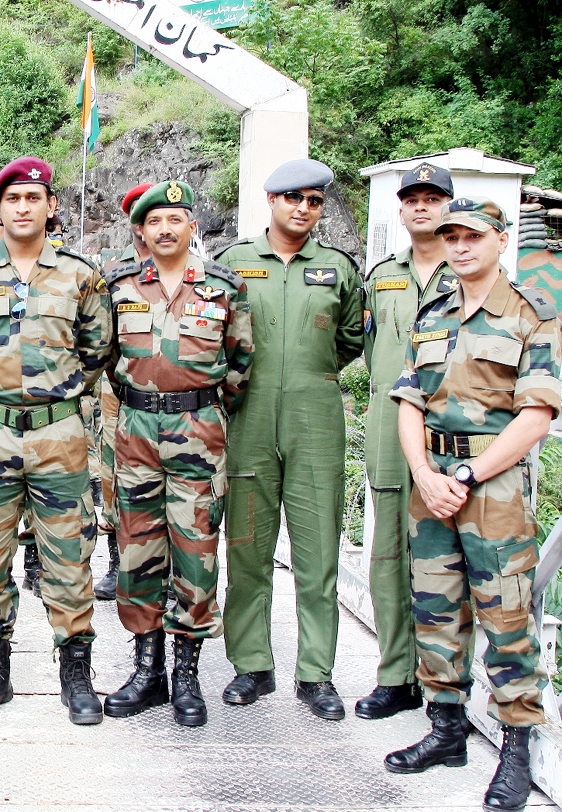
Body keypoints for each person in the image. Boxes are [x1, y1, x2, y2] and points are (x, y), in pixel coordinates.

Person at [385, 197, 560, 812]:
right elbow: (409, 401)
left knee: (505, 614)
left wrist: (465, 473)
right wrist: (424, 474)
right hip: (431, 478)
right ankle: (447, 728)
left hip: (495, 486)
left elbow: (536, 416)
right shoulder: (434, 311)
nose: (460, 247)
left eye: (473, 237)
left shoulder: (532, 316)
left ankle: (515, 745)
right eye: (451, 236)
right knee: (436, 607)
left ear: (501, 240)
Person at [0, 156, 112, 725]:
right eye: (12, 198)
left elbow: (96, 351)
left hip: (58, 434)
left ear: (50, 207)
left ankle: (76, 672)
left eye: (33, 198)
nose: (22, 207)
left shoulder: (81, 275)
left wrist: (54, 397)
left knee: (68, 555)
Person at [217, 158, 364, 721]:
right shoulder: (233, 263)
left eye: (314, 200)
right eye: (292, 198)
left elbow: (350, 337)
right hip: (247, 414)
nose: (303, 208)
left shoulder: (336, 267)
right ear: (271, 200)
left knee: (318, 548)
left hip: (315, 415)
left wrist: (309, 373)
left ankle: (316, 673)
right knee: (248, 545)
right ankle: (252, 665)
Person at [103, 180, 253, 727]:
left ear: (193, 226)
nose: (165, 229)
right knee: (138, 547)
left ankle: (187, 672)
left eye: (176, 218)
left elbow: (239, 364)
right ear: (140, 231)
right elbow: (104, 355)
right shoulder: (118, 287)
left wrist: (201, 406)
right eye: (154, 221)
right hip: (137, 427)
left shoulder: (224, 287)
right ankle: (148, 671)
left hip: (198, 428)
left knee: (195, 549)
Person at [356, 162, 457, 720]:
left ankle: (447, 683)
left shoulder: (469, 270)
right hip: (392, 433)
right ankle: (396, 676)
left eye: (432, 198)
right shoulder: (381, 276)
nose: (421, 207)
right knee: (389, 555)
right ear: (400, 210)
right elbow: (375, 356)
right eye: (412, 199)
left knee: (447, 562)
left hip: (451, 438)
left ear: (448, 206)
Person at [93, 183, 153, 601]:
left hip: (179, 401)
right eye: (139, 215)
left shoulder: (196, 273)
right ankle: (117, 562)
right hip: (119, 396)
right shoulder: (112, 275)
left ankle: (162, 571)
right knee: (114, 479)